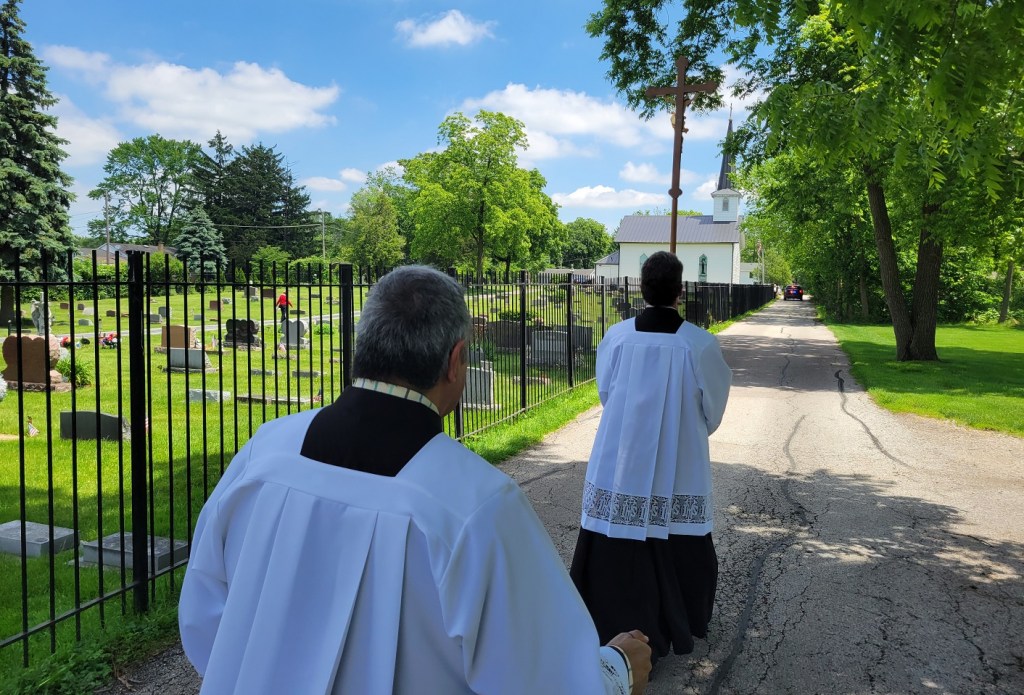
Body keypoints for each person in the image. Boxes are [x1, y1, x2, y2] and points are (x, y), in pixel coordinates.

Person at [179, 265, 652, 694]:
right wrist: (615, 669)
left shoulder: (264, 453)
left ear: (364, 344)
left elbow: (205, 620)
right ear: (455, 360)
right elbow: (546, 678)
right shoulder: (476, 504)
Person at [570, 251, 732, 664]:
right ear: (681, 291)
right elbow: (713, 408)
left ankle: (610, 619)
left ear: (642, 289)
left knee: (618, 535)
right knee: (677, 530)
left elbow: (606, 392)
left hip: (621, 457)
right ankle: (681, 618)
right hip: (680, 458)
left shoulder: (618, 336)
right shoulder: (699, 344)